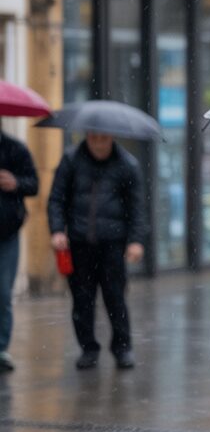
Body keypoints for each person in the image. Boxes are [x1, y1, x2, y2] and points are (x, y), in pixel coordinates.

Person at [47, 132, 147, 370]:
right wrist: (57, 230)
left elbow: (137, 207)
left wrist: (136, 240)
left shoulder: (127, 164)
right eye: (94, 139)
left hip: (113, 243)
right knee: (82, 300)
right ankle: (88, 348)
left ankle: (122, 348)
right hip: (79, 242)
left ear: (111, 138)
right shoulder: (71, 160)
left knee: (116, 298)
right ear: (87, 137)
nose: (98, 144)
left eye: (103, 139)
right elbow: (56, 199)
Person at [0, 130, 38, 372]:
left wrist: (16, 183)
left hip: (6, 234)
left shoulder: (15, 149)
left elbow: (34, 184)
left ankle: (1, 348)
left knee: (3, 293)